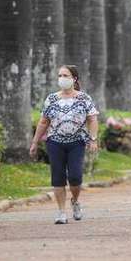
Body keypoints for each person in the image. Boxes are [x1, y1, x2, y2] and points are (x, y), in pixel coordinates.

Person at [29, 65, 99, 224]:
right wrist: (34, 142)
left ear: (74, 79)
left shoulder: (84, 98)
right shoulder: (52, 99)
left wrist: (93, 139)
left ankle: (75, 200)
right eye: (60, 75)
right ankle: (61, 212)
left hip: (77, 142)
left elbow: (92, 119)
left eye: (65, 75)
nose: (62, 78)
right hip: (55, 142)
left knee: (75, 177)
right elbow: (43, 121)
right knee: (58, 177)